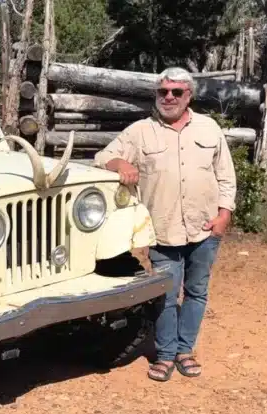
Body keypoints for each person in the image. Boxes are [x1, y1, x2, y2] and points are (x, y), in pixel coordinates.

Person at [92, 67, 237, 382]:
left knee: (196, 292)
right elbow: (103, 157)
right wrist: (121, 163)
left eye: (176, 92)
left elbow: (226, 175)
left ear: (189, 95)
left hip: (205, 227)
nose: (168, 97)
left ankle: (185, 350)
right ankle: (166, 354)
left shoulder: (210, 128)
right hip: (163, 230)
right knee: (165, 295)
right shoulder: (140, 131)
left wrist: (224, 215)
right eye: (163, 92)